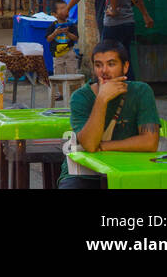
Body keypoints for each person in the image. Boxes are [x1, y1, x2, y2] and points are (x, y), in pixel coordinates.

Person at [58, 40, 160, 189]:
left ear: (125, 67)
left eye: (111, 64)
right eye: (98, 65)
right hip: (84, 173)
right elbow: (91, 145)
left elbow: (150, 142)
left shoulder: (141, 91)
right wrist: (102, 99)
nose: (104, 71)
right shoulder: (80, 97)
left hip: (130, 168)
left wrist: (105, 146)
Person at [47, 0, 80, 96]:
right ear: (54, 14)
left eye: (66, 8)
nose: (65, 10)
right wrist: (55, 33)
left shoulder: (71, 25)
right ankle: (62, 93)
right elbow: (48, 39)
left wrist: (67, 33)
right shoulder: (52, 26)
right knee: (58, 75)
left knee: (72, 73)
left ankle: (73, 93)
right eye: (61, 9)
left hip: (70, 52)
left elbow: (76, 38)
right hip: (57, 54)